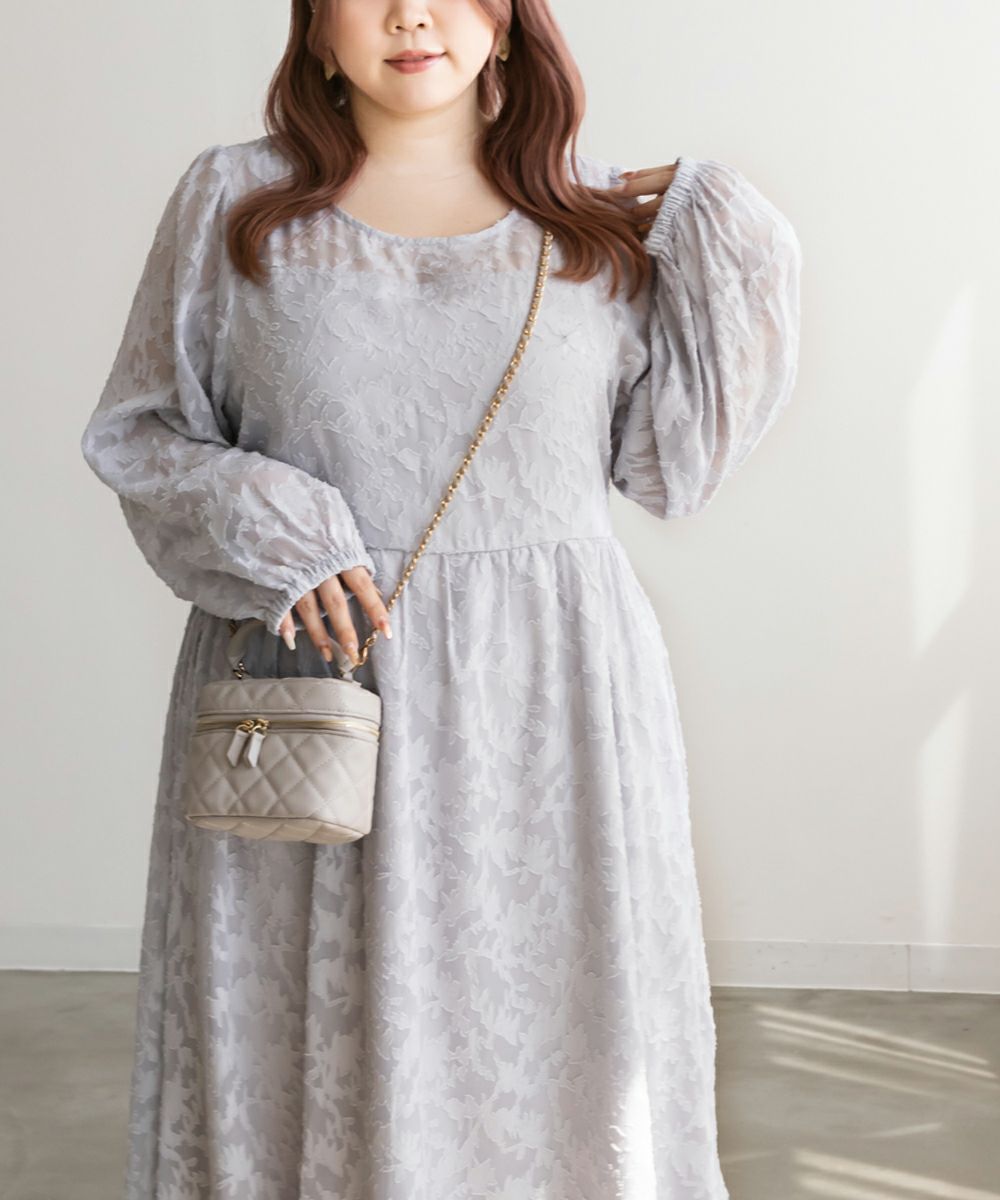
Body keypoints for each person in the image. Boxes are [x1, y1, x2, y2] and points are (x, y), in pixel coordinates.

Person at [80, 1, 801, 1196]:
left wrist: (729, 237)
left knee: (555, 1037)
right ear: (316, 28)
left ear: (508, 24)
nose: (412, 14)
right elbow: (143, 432)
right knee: (298, 1029)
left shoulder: (593, 222)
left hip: (550, 707)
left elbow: (670, 468)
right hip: (312, 694)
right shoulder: (236, 202)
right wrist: (279, 526)